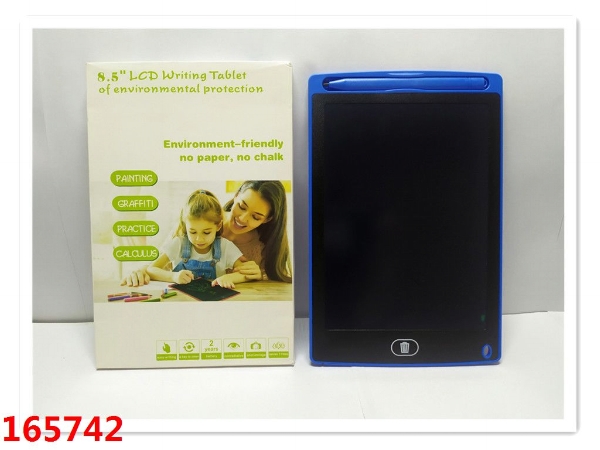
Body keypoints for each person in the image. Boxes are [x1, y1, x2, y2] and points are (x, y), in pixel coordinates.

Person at [122, 180, 292, 287]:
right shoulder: (200, 218)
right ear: (236, 195)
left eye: (256, 217)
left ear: (267, 219)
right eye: (241, 206)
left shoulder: (262, 245)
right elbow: (158, 265)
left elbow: (271, 282)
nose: (242, 218)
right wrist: (141, 270)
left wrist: (259, 275)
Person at [146, 189, 250, 289]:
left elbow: (245, 273)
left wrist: (228, 277)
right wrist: (173, 276)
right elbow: (151, 269)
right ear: (185, 226)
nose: (199, 239)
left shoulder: (225, 247)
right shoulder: (179, 243)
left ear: (218, 226)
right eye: (192, 232)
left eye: (206, 232)